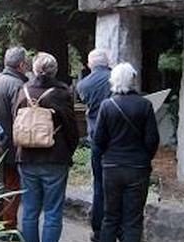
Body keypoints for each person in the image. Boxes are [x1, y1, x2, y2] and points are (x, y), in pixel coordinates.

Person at [15, 52, 79, 242]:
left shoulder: (23, 90)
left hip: (26, 156)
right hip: (54, 157)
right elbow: (71, 127)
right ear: (55, 70)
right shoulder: (61, 93)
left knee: (29, 210)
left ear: (34, 69)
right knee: (52, 211)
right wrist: (69, 151)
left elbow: (15, 119)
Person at [94, 63, 159, 242]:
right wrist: (145, 157)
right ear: (133, 80)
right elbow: (152, 139)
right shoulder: (145, 105)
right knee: (133, 219)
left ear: (113, 80)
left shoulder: (107, 106)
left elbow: (98, 140)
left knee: (110, 217)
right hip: (137, 166)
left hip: (112, 166)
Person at [0, 46, 29, 229]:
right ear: (21, 65)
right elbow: (20, 119)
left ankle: (2, 225)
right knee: (12, 190)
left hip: (1, 142)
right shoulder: (17, 85)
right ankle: (8, 229)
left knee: (4, 188)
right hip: (12, 146)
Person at [75, 49, 111, 242]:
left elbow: (85, 100)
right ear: (108, 62)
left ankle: (98, 229)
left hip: (97, 137)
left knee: (99, 185)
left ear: (90, 65)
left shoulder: (84, 85)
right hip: (117, 138)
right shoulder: (117, 78)